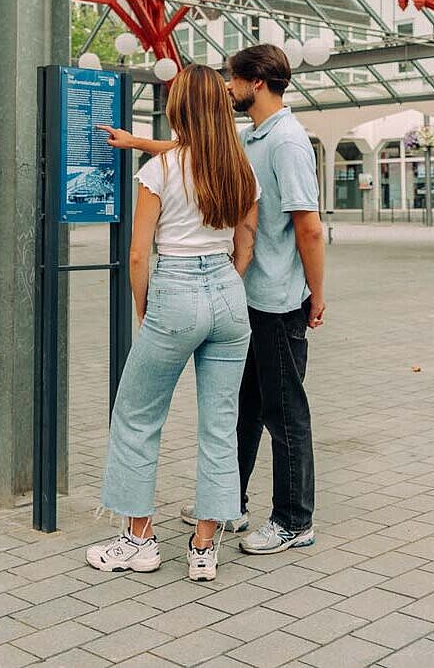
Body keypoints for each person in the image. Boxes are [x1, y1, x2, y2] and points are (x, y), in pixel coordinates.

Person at [114, 44, 327, 557]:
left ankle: (294, 519)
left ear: (257, 82)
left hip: (276, 298)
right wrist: (136, 141)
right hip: (239, 297)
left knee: (283, 410)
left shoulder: (289, 143)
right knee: (238, 412)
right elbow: (200, 156)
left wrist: (316, 295)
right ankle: (222, 510)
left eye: (234, 79)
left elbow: (309, 228)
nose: (228, 88)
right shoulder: (252, 139)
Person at [86, 64, 259, 583]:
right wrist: (227, 281)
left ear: (178, 108)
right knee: (219, 423)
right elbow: (245, 240)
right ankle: (205, 547)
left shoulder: (159, 172)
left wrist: (147, 307)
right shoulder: (238, 168)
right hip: (230, 296)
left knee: (137, 416)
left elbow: (139, 255)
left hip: (175, 294)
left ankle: (138, 541)